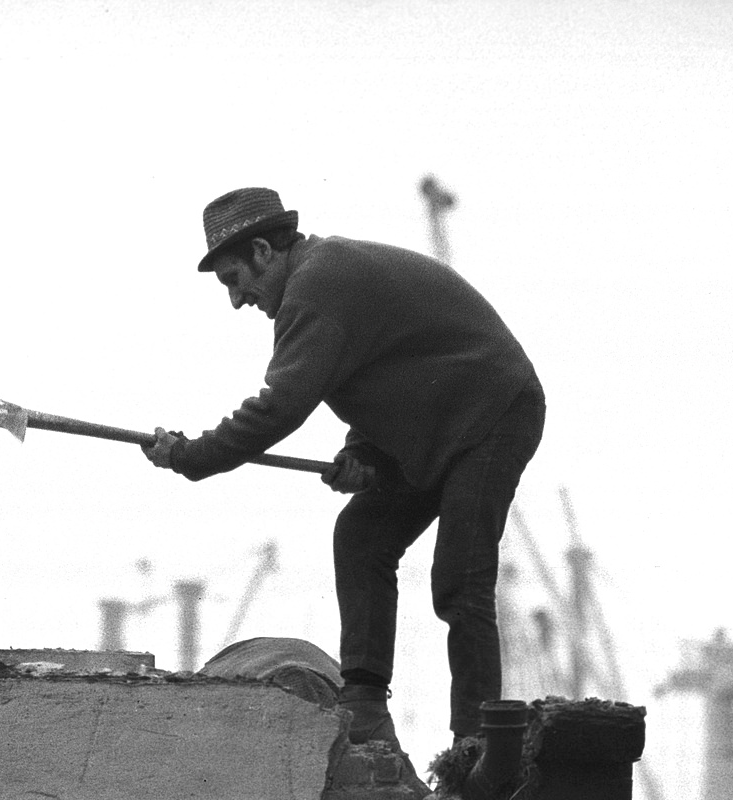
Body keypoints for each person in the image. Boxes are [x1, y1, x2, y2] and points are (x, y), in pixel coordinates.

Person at [142, 187, 545, 749]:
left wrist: (191, 456)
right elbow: (387, 371)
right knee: (361, 534)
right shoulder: (322, 282)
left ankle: (477, 744)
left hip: (490, 415)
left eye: (234, 280)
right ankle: (364, 703)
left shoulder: (317, 284)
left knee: (460, 579)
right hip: (431, 425)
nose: (237, 301)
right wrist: (363, 456)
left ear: (263, 251)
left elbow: (280, 407)